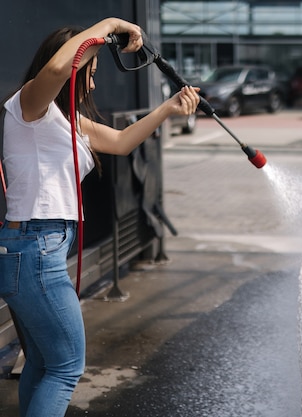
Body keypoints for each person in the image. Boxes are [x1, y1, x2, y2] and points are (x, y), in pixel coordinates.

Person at [0, 17, 199, 417]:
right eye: (90, 73)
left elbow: (122, 142)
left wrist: (167, 109)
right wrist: (110, 26)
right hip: (37, 250)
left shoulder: (61, 120)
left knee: (43, 363)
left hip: (37, 250)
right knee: (66, 367)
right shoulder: (28, 105)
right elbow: (59, 69)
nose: (92, 84)